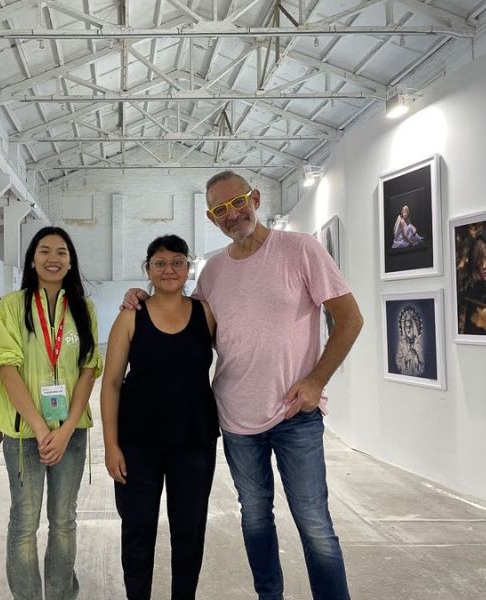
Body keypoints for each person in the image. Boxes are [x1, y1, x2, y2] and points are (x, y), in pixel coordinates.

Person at [123, 171, 364, 600]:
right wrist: (140, 297)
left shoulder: (300, 249)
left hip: (295, 416)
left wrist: (316, 380)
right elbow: (180, 315)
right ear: (212, 219)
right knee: (255, 519)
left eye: (237, 203)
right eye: (219, 210)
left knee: (314, 523)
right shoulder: (214, 271)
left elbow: (349, 319)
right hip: (235, 421)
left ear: (255, 197)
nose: (232, 214)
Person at [101, 234, 218, 600]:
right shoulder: (130, 317)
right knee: (137, 532)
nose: (169, 269)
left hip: (194, 442)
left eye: (177, 262)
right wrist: (110, 446)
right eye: (160, 263)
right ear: (148, 269)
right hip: (138, 444)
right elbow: (111, 384)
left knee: (189, 533)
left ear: (188, 267)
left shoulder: (206, 313)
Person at [0, 226, 101, 600]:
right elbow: (6, 367)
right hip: (24, 435)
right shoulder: (12, 306)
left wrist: (68, 426)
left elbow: (88, 368)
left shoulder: (83, 309)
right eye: (45, 251)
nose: (53, 258)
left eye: (62, 252)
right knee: (24, 523)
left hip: (71, 434)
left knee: (63, 523)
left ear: (71, 262)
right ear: (33, 259)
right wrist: (39, 426)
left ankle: (60, 594)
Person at [395, 305, 424, 376]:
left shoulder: (418, 344)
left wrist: (416, 360)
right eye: (406, 326)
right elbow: (398, 363)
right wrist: (406, 358)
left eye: (410, 326)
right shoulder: (402, 344)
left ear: (414, 327)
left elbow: (422, 368)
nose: (408, 329)